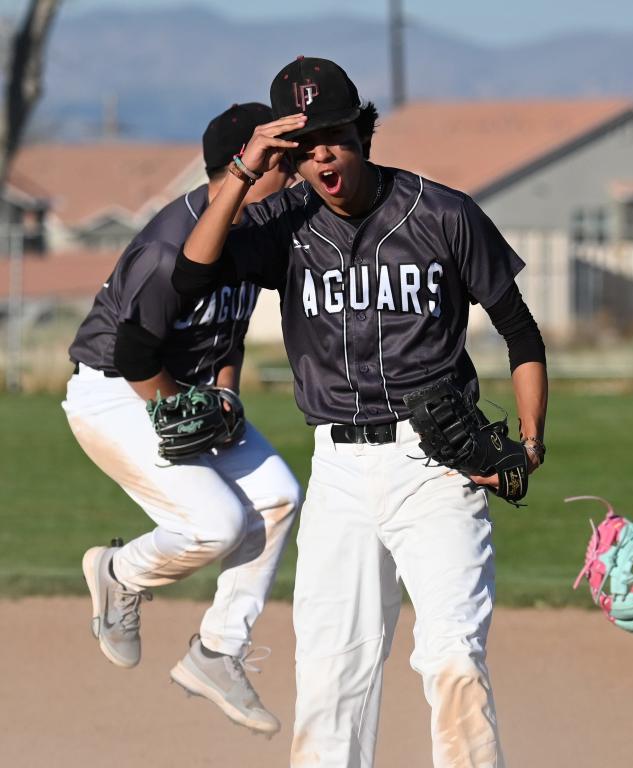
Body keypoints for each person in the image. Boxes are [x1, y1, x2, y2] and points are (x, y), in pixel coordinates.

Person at [173, 56, 548, 767]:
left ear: (362, 134)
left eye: (334, 135)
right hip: (338, 471)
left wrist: (529, 441)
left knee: (452, 661)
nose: (322, 154)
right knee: (330, 678)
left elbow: (519, 332)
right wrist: (246, 172)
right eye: (303, 144)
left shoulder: (443, 214)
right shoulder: (282, 225)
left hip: (437, 463)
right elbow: (192, 271)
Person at [63, 103, 301, 736]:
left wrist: (225, 394)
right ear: (242, 167)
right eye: (282, 162)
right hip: (116, 392)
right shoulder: (173, 243)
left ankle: (218, 652)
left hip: (183, 386)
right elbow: (131, 353)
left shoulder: (250, 231)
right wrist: (175, 407)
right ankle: (117, 573)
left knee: (278, 496)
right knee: (216, 524)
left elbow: (229, 334)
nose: (295, 172)